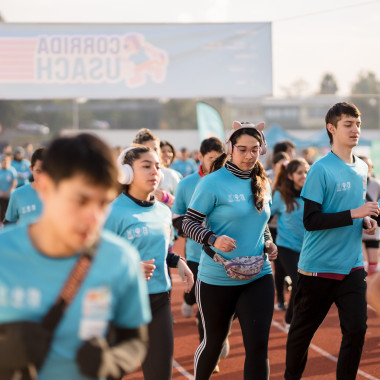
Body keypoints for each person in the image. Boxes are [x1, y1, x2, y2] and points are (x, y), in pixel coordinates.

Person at [0, 134, 151, 380]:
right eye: (80, 200)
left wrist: (112, 362)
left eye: (103, 203)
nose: (93, 218)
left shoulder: (121, 259)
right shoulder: (3, 253)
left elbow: (134, 338)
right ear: (47, 188)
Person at [285, 102, 380, 380]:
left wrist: (364, 219)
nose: (355, 130)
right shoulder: (319, 170)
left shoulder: (362, 168)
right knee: (302, 335)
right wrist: (355, 213)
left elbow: (351, 209)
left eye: (358, 124)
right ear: (332, 128)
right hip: (317, 268)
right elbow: (311, 221)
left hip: (351, 266)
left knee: (357, 329)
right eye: (348, 124)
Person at [182, 121, 278, 379]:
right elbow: (188, 223)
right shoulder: (212, 182)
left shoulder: (262, 181)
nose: (249, 155)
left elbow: (261, 222)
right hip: (217, 279)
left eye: (255, 149)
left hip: (258, 276)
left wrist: (268, 241)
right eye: (243, 149)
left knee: (258, 348)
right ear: (231, 149)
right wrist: (213, 239)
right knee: (214, 344)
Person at [104, 144, 194, 380]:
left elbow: (161, 252)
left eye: (157, 166)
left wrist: (178, 261)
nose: (155, 172)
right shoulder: (111, 213)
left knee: (160, 375)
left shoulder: (163, 212)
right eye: (146, 166)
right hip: (120, 304)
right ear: (126, 172)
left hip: (158, 302)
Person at [172, 137, 224, 336]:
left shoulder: (230, 181)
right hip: (196, 252)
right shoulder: (187, 184)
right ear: (200, 157)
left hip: (226, 252)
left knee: (217, 301)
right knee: (198, 295)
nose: (216, 163)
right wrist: (197, 231)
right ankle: (189, 302)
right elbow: (177, 219)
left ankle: (219, 335)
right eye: (211, 158)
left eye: (220, 158)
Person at [271, 158, 309, 329]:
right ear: (291, 176)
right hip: (286, 247)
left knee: (306, 284)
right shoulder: (280, 195)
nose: (304, 176)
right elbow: (265, 216)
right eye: (300, 173)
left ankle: (296, 316)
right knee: (298, 280)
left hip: (308, 247)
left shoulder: (312, 194)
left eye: (307, 172)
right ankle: (289, 319)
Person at [266, 151, 291, 311]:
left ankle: (285, 287)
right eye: (281, 164)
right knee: (278, 266)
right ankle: (280, 298)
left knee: (283, 265)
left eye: (286, 164)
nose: (284, 167)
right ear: (274, 165)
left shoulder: (290, 181)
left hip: (284, 228)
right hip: (269, 228)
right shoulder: (268, 180)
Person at [134, 129, 181, 207]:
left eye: (155, 149)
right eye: (147, 149)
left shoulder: (170, 174)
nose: (152, 153)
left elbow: (184, 205)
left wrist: (168, 199)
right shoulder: (131, 175)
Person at [4, 148, 44, 225]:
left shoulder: (63, 195)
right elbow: (8, 226)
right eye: (38, 171)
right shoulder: (17, 194)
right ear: (31, 169)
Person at [359, 155, 380, 275]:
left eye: (370, 166)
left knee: (373, 269)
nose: (368, 169)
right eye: (364, 166)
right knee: (363, 268)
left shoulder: (376, 184)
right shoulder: (352, 184)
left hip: (374, 232)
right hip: (357, 231)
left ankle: (369, 294)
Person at [0, 153, 17, 223]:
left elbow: (14, 183)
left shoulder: (12, 171)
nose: (5, 162)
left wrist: (8, 192)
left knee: (9, 213)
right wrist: (1, 192)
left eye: (6, 160)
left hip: (9, 196)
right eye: (3, 160)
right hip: (1, 196)